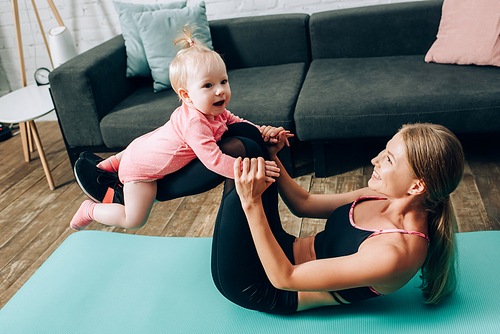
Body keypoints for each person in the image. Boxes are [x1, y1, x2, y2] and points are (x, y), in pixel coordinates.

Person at [211, 122, 464, 314]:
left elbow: (285, 278)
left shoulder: (394, 253)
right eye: (384, 151)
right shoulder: (382, 196)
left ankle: (171, 172)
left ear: (417, 186)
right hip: (280, 246)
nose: (374, 160)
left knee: (238, 154)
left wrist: (251, 202)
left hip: (264, 285)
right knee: (250, 138)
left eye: (388, 159)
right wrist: (272, 155)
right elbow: (304, 204)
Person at [69, 26, 290, 231]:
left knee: (152, 142)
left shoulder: (214, 111)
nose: (220, 91)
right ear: (186, 95)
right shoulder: (195, 123)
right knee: (134, 219)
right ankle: (90, 209)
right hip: (140, 172)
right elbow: (213, 160)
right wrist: (248, 168)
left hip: (141, 148)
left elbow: (236, 121)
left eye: (223, 81)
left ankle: (109, 164)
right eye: (208, 85)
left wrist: (261, 131)